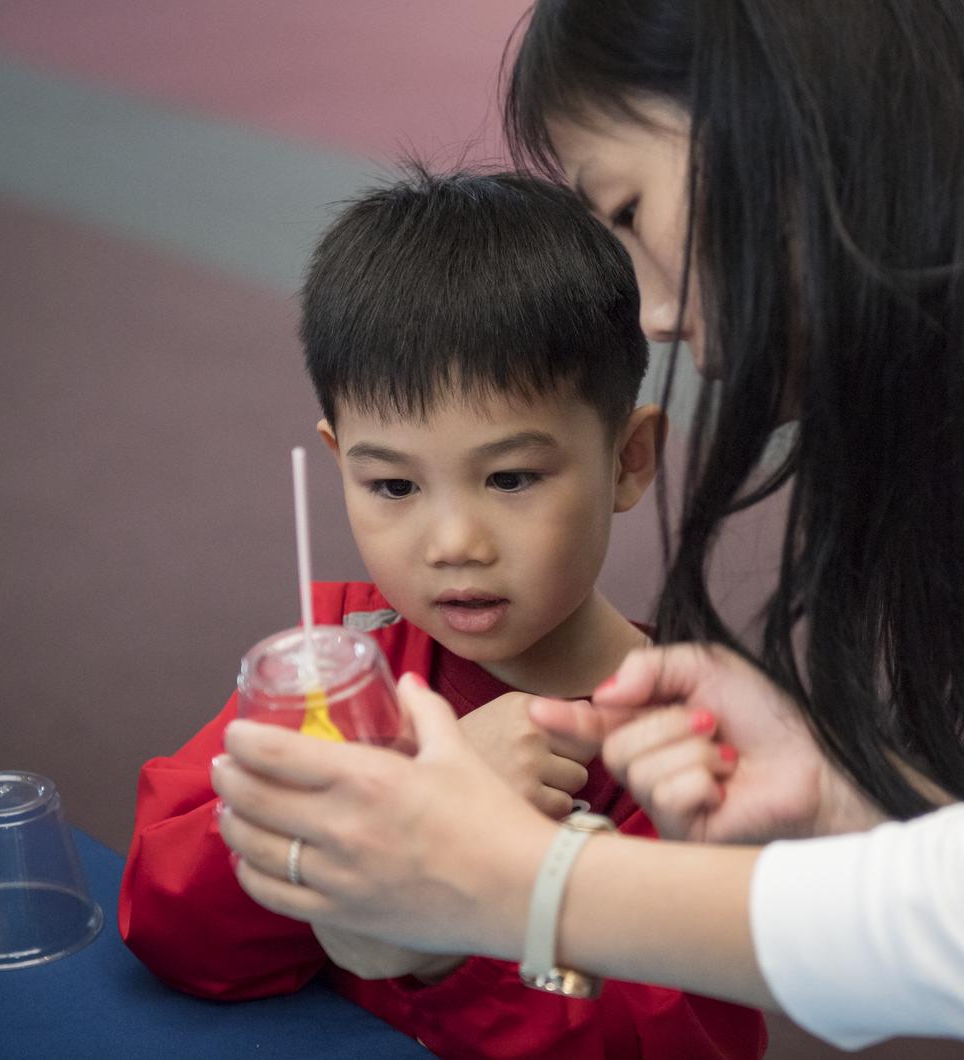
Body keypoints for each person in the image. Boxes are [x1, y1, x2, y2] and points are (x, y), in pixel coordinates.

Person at [211, 1, 964, 1050]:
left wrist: (518, 883)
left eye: (629, 209)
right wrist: (857, 803)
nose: (654, 313)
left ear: (783, 107)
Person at [119, 168, 768, 1060]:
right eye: (392, 485)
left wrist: (440, 928)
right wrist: (368, 813)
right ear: (338, 461)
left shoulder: (684, 744)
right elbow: (167, 922)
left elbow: (686, 1044)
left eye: (510, 477)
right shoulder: (339, 671)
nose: (453, 540)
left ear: (628, 459)